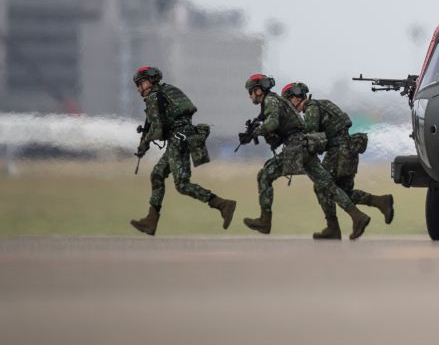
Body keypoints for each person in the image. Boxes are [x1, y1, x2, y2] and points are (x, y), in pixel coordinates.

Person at [239, 74, 372, 240]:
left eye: (251, 92)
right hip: (304, 146)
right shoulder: (276, 102)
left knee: (265, 174)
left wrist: (255, 132)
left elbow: (273, 123)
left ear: (258, 90)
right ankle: (357, 216)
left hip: (297, 147)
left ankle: (265, 221)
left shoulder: (271, 101)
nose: (250, 95)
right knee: (327, 184)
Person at [129, 66, 236, 235]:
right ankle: (151, 220)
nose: (138, 88)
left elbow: (156, 130)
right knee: (157, 174)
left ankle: (222, 204)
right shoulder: (168, 91)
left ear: (150, 82)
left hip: (178, 140)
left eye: (140, 83)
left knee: (182, 185)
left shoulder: (154, 97)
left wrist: (145, 143)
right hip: (183, 137)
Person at [281, 82, 394, 236]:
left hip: (338, 152)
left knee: (322, 186)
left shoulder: (311, 109)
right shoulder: (322, 104)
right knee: (343, 191)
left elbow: (311, 137)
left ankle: (335, 226)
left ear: (294, 99)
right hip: (349, 149)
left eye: (288, 102)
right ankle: (380, 202)